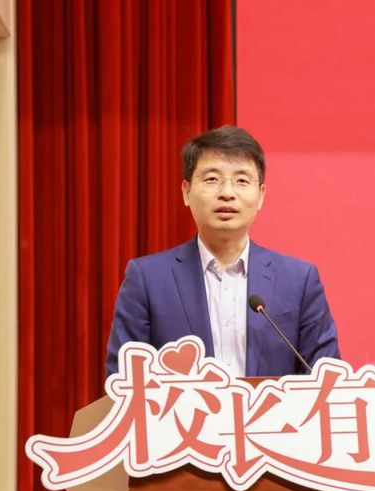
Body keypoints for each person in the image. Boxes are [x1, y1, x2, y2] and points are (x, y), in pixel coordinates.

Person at [105, 126, 339, 377]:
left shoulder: (299, 281)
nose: (227, 193)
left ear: (261, 195)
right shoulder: (148, 279)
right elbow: (125, 379)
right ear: (186, 192)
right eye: (212, 179)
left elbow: (325, 376)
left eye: (241, 181)